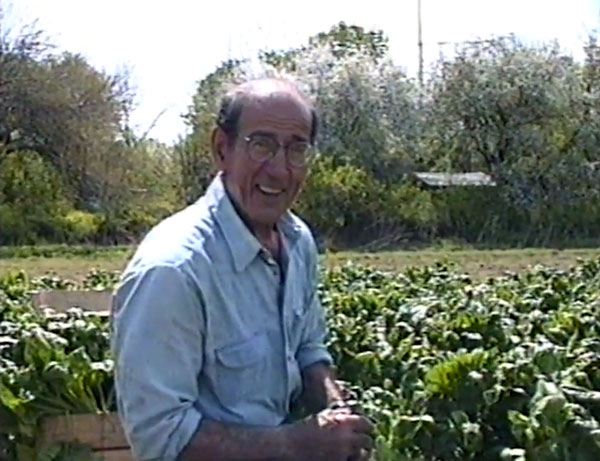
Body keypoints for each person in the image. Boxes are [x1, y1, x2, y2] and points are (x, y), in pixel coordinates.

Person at [110, 78, 374, 461]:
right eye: (262, 145)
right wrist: (300, 445)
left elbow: (307, 347)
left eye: (296, 149)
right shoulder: (173, 271)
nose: (280, 171)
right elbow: (162, 438)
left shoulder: (296, 240)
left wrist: (337, 410)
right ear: (222, 148)